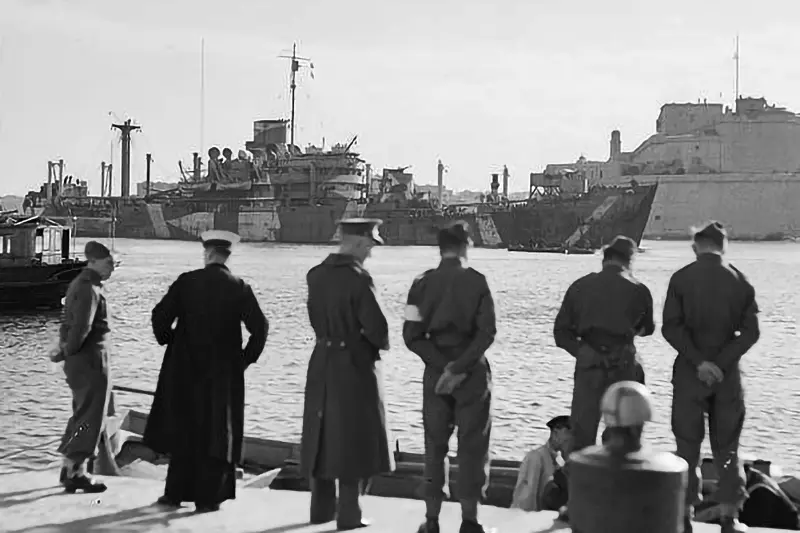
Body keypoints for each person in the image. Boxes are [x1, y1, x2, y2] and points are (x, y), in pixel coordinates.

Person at [143, 229, 269, 512]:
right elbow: (260, 329)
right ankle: (210, 497)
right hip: (222, 375)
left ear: (207, 253)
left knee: (184, 428)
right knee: (216, 432)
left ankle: (175, 492)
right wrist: (243, 361)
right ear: (227, 256)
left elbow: (159, 316)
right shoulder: (239, 286)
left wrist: (168, 339)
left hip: (185, 370)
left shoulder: (187, 282)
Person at [662, 221, 760, 533]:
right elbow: (751, 332)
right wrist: (720, 363)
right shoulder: (740, 281)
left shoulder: (681, 278)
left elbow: (670, 327)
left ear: (695, 246)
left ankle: (684, 516)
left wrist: (700, 362)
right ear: (723, 245)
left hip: (691, 374)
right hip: (727, 376)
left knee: (687, 448)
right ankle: (730, 517)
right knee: (727, 448)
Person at [300, 218, 394, 530]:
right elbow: (379, 331)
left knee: (322, 434)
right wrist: (370, 347)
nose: (370, 252)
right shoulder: (359, 279)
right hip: (354, 364)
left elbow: (315, 319)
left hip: (322, 360)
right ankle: (349, 515)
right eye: (369, 245)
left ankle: (320, 510)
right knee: (354, 437)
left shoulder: (315, 275)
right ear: (356, 242)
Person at [403, 220, 496, 533]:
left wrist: (443, 367)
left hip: (435, 374)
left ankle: (431, 521)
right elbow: (487, 332)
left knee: (434, 446)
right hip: (472, 374)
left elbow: (411, 335)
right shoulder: (478, 282)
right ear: (466, 245)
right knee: (473, 447)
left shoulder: (420, 284)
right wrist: (460, 367)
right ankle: (470, 521)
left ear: (439, 248)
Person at [553, 234, 654, 453]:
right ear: (629, 260)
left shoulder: (580, 287)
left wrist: (583, 352)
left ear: (604, 258)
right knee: (625, 433)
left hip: (590, 365)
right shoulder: (638, 289)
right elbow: (648, 328)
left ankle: (579, 483)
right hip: (624, 364)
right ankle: (619, 480)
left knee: (581, 434)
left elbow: (560, 333)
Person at [51, 240, 116, 493]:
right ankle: (77, 471)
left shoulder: (79, 284)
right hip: (91, 360)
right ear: (94, 261)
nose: (112, 268)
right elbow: (82, 328)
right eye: (109, 263)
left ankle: (70, 466)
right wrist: (67, 350)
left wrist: (63, 351)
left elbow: (67, 325)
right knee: (91, 415)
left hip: (82, 361)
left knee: (82, 412)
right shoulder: (89, 288)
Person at [510, 415, 572, 512]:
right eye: (567, 432)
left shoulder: (561, 460)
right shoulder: (536, 457)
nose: (570, 437)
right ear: (555, 433)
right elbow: (527, 497)